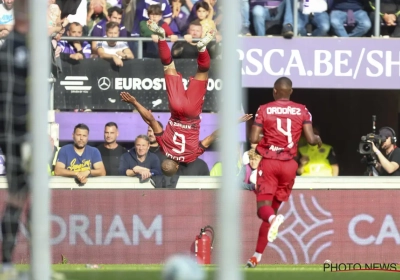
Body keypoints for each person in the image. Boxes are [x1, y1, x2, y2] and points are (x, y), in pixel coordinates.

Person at [120, 19, 223, 176]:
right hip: (176, 108)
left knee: (203, 71)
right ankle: (162, 37)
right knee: (168, 66)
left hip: (192, 113)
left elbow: (213, 136)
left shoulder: (190, 158)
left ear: (176, 168)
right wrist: (134, 102)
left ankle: (202, 49)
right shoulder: (163, 147)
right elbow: (151, 119)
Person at [246, 77, 322, 268]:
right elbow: (311, 139)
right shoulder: (302, 110)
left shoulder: (264, 109)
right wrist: (319, 140)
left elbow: (253, 137)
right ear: (291, 91)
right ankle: (256, 256)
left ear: (274, 91)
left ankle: (273, 219)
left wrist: (267, 136)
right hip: (289, 165)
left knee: (264, 210)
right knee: (272, 209)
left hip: (270, 163)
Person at [0, 0, 29, 275]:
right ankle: (7, 262)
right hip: (14, 132)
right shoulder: (10, 49)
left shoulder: (31, 46)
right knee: (21, 195)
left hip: (25, 132)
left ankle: (13, 262)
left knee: (25, 194)